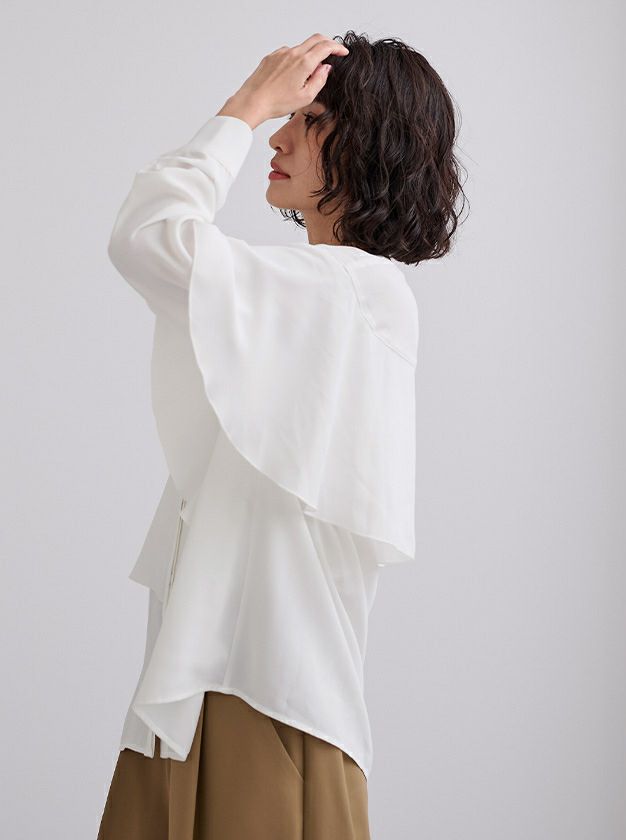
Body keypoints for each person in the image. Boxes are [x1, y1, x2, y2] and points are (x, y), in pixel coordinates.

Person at [97, 29, 466, 840]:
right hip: (210, 692)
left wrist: (245, 105)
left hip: (268, 709)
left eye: (311, 120)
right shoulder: (313, 297)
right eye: (285, 116)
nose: (279, 135)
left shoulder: (352, 293)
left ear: (370, 144)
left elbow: (147, 235)